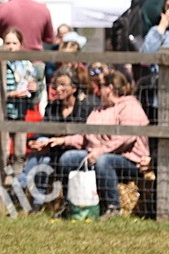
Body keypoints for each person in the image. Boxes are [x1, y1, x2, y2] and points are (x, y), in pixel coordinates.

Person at [51, 70, 151, 221]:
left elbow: (126, 138)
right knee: (68, 158)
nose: (98, 90)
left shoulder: (130, 106)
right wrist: (64, 140)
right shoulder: (99, 109)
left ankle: (113, 207)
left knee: (104, 161)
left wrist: (100, 152)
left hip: (129, 159)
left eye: (101, 86)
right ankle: (71, 204)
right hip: (99, 154)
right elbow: (87, 136)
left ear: (110, 88)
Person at [21, 66, 94, 199]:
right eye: (56, 85)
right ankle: (25, 192)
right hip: (53, 149)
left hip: (74, 149)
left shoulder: (84, 108)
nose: (58, 89)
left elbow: (83, 137)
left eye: (63, 85)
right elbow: (43, 128)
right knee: (40, 155)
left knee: (45, 158)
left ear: (74, 88)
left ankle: (28, 195)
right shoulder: (53, 106)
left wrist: (58, 140)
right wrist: (34, 141)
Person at [2, 27, 39, 174]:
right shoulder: (0, 64)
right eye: (8, 43)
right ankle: (0, 180)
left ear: (21, 45)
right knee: (2, 151)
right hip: (3, 114)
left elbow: (35, 96)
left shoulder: (27, 65)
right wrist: (10, 94)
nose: (11, 46)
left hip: (21, 113)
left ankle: (17, 181)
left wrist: (34, 89)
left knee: (20, 150)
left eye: (14, 43)